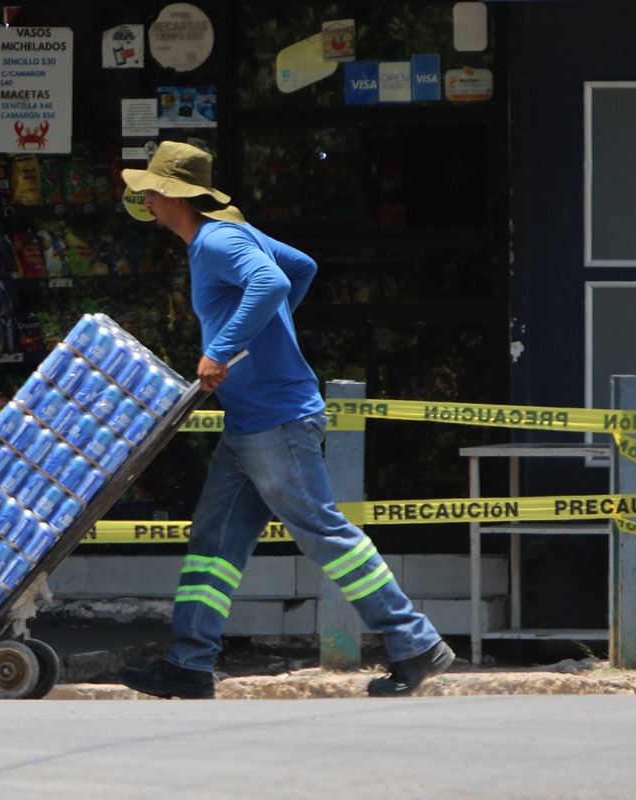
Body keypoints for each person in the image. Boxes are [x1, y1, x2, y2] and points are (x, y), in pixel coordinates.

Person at [116, 141, 454, 699]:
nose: (145, 200)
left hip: (277, 421)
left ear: (172, 194)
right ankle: (189, 664)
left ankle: (415, 643)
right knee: (215, 540)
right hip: (249, 424)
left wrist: (224, 348)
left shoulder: (217, 240)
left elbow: (272, 283)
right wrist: (265, 333)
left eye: (150, 190)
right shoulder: (226, 234)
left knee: (323, 532)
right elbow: (301, 267)